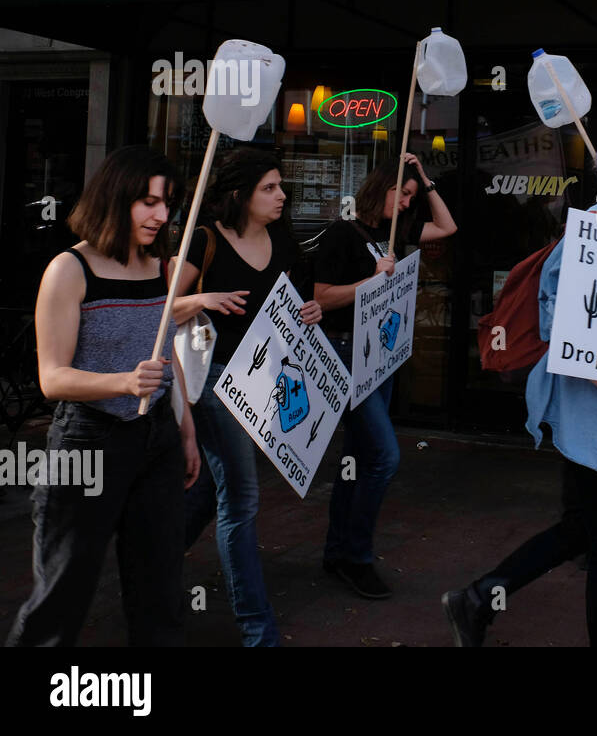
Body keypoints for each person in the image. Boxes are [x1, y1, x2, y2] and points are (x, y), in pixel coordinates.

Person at [442, 126, 597, 647]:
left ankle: (477, 599)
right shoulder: (591, 236)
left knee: (582, 527)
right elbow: (566, 332)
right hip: (593, 409)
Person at [7, 146, 201, 647]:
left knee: (161, 590)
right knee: (63, 594)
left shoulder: (158, 265)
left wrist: (186, 430)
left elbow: (163, 351)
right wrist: (122, 381)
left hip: (155, 439)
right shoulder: (69, 270)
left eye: (168, 203)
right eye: (148, 202)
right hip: (87, 444)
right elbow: (52, 379)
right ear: (116, 198)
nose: (162, 215)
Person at [171, 148, 323, 647]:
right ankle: (258, 630)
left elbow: (291, 300)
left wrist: (310, 311)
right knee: (241, 499)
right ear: (240, 194)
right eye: (270, 188)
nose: (282, 196)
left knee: (212, 490)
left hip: (263, 387)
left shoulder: (280, 238)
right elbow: (157, 308)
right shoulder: (205, 239)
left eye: (281, 187)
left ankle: (152, 560)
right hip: (215, 383)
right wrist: (202, 299)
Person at [312, 152, 457, 599]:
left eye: (413, 197)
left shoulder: (392, 231)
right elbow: (321, 297)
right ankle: (357, 556)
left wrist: (425, 180)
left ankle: (338, 551)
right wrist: (371, 283)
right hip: (347, 353)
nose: (410, 204)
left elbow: (448, 228)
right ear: (383, 188)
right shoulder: (343, 233)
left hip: (381, 358)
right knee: (385, 457)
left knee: (357, 458)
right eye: (405, 194)